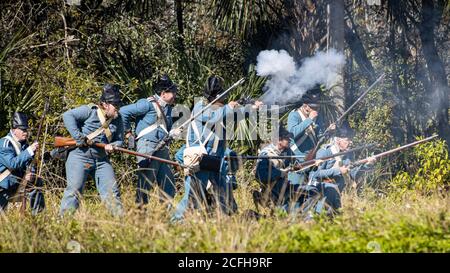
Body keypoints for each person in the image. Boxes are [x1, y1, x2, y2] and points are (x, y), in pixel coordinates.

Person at [59, 84, 124, 216]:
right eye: (115, 105)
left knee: (112, 191)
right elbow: (67, 116)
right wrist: (78, 137)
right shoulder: (90, 111)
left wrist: (114, 146)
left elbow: (120, 140)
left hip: (101, 159)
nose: (118, 108)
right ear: (105, 104)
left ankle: (120, 223)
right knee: (75, 190)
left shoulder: (118, 119)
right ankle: (63, 222)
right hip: (80, 156)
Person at [120, 74, 180, 207]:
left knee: (168, 184)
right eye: (173, 93)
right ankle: (140, 213)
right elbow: (124, 112)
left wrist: (172, 133)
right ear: (163, 93)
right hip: (147, 146)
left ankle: (167, 216)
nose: (175, 96)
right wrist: (128, 133)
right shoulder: (146, 104)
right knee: (146, 182)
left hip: (162, 148)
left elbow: (165, 129)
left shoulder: (169, 108)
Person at [0, 112, 45, 215]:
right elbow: (12, 164)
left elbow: (30, 163)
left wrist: (31, 174)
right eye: (23, 129)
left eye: (26, 130)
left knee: (37, 181)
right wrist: (29, 151)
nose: (26, 132)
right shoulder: (5, 144)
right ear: (14, 129)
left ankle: (38, 216)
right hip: (4, 186)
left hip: (18, 183)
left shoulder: (24, 144)